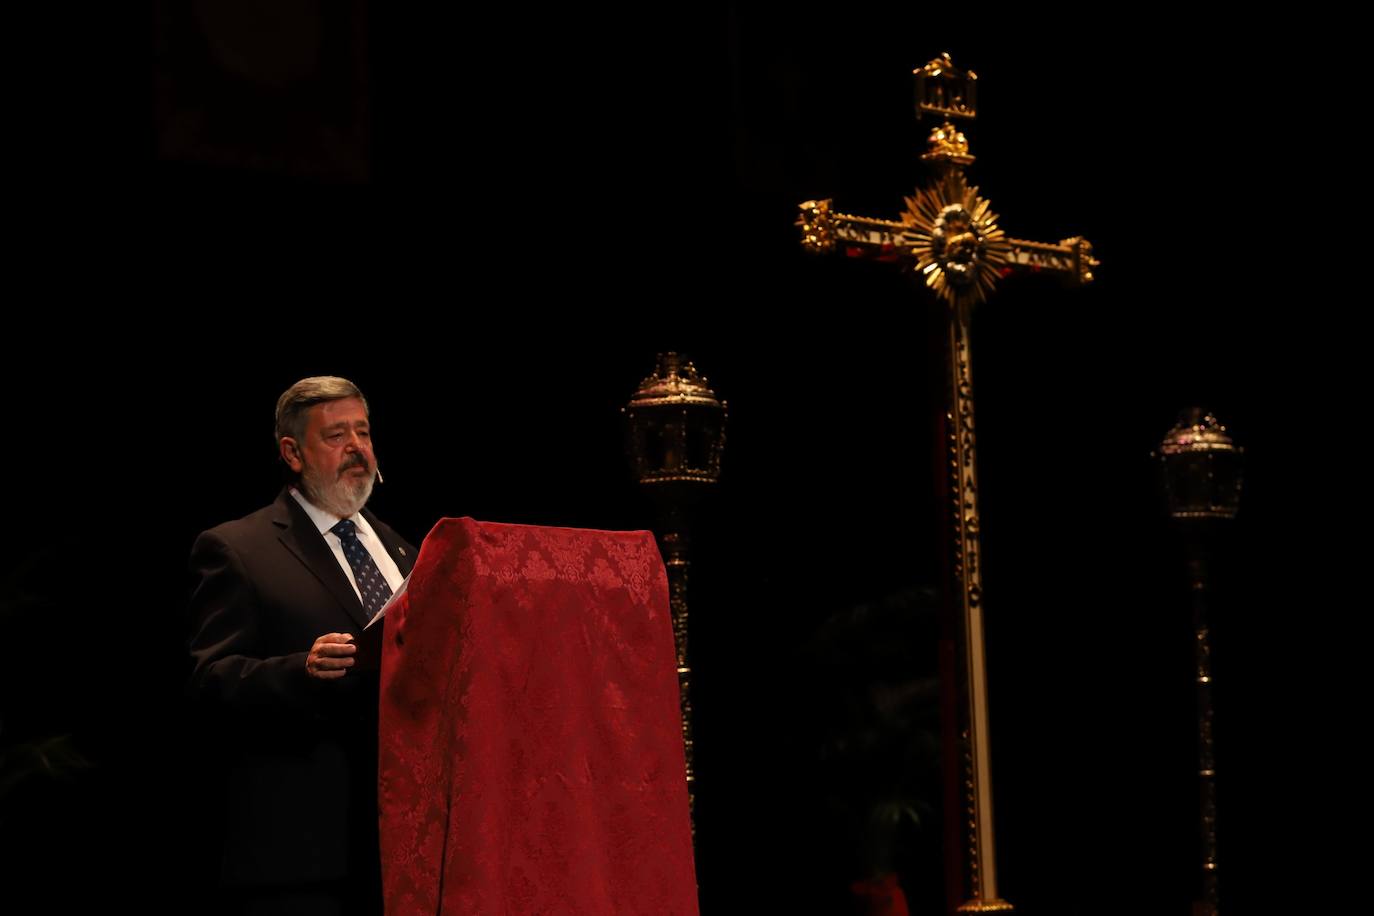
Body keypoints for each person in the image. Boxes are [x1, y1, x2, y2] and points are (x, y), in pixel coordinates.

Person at [186, 376, 416, 916]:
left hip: (399, 845)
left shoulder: (404, 550)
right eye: (337, 436)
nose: (358, 449)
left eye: (363, 432)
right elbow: (210, 680)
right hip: (300, 856)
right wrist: (300, 671)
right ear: (292, 453)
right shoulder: (237, 549)